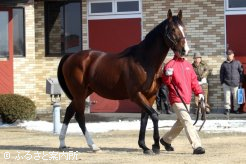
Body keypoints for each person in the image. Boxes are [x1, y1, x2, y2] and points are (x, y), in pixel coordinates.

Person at [159, 52, 205, 154]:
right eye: (181, 51)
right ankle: (197, 146)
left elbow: (194, 81)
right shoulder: (170, 64)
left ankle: (166, 140)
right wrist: (167, 75)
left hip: (186, 99)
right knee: (187, 120)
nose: (183, 53)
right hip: (176, 98)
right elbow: (166, 82)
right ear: (176, 51)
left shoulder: (188, 65)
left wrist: (199, 92)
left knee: (181, 123)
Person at [220, 49, 244, 115]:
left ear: (233, 55)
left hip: (235, 83)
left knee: (236, 97)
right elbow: (221, 74)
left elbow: (241, 72)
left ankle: (236, 109)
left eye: (230, 54)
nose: (229, 56)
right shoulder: (224, 64)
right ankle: (227, 109)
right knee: (227, 97)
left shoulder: (237, 63)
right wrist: (222, 82)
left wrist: (241, 81)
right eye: (228, 54)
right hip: (226, 83)